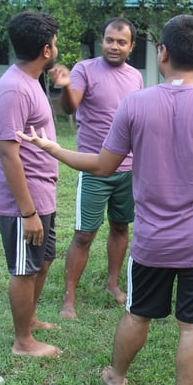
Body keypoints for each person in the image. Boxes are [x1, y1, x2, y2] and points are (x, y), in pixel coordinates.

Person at [18, 14, 193, 385]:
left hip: (153, 240)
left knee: (137, 313)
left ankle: (116, 375)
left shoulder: (135, 104)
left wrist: (54, 149)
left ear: (163, 53)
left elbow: (104, 165)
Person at [53, 18, 144, 317]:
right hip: (94, 167)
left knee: (120, 226)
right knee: (84, 234)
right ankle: (69, 299)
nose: (114, 46)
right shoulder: (84, 69)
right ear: (101, 41)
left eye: (121, 42)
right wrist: (66, 87)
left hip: (128, 168)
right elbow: (70, 106)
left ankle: (112, 284)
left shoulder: (136, 77)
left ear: (131, 46)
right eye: (109, 40)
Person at [0, 11, 63, 357]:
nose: (57, 47)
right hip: (24, 202)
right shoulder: (14, 89)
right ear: (46, 50)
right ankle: (23, 342)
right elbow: (8, 154)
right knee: (24, 267)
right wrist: (28, 212)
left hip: (42, 196)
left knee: (42, 260)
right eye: (56, 42)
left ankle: (29, 319)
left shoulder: (30, 81)